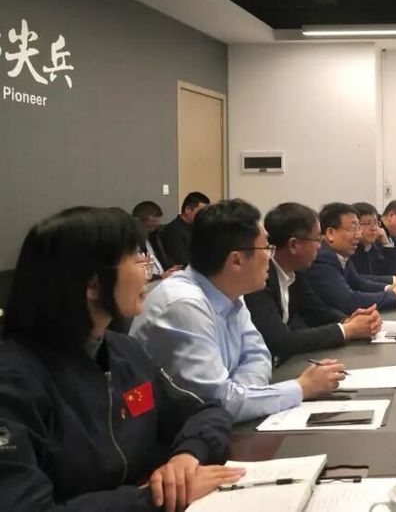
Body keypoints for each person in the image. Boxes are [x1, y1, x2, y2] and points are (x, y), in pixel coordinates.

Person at [0, 206, 242, 511]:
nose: (149, 273)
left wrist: (186, 457)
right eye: (138, 260)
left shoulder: (125, 352)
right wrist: (153, 499)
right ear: (93, 284)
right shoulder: (13, 381)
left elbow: (206, 412)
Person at [130, 199, 346, 423]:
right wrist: (300, 388)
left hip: (214, 426)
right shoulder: (184, 306)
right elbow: (218, 403)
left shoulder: (230, 292)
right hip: (169, 436)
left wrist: (240, 395)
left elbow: (258, 356)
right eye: (266, 248)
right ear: (236, 260)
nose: (270, 256)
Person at [245, 202, 382, 366]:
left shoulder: (296, 270)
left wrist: (347, 321)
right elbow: (281, 340)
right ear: (293, 245)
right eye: (317, 239)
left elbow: (315, 310)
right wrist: (348, 330)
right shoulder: (259, 279)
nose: (320, 245)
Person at [301, 202, 396, 315]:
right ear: (330, 233)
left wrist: (389, 288)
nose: (359, 235)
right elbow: (348, 300)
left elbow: (358, 283)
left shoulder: (341, 253)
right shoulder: (323, 257)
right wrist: (394, 296)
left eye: (358, 228)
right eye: (353, 228)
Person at [350, 201, 396, 286]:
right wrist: (394, 280)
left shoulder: (371, 247)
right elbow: (357, 279)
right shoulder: (350, 250)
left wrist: (386, 244)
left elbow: (393, 272)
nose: (374, 228)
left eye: (376, 223)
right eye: (368, 223)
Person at [158, 191, 211, 267]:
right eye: (201, 212)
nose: (204, 216)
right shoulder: (173, 230)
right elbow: (181, 261)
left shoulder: (198, 227)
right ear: (188, 209)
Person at [132, 200, 183, 279]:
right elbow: (136, 274)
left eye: (156, 223)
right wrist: (160, 277)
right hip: (149, 282)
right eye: (151, 225)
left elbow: (161, 259)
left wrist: (171, 269)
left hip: (161, 278)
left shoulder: (154, 236)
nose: (155, 226)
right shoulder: (129, 243)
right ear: (138, 221)